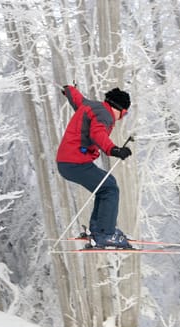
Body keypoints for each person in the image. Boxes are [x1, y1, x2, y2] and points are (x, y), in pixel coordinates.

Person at [56, 84, 132, 248]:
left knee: (107, 183)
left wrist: (69, 90)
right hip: (75, 162)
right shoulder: (105, 115)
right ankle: (105, 234)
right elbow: (97, 133)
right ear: (119, 108)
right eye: (124, 114)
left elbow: (78, 100)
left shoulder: (93, 106)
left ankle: (99, 229)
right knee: (110, 189)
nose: (121, 118)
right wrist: (114, 149)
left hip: (68, 161)